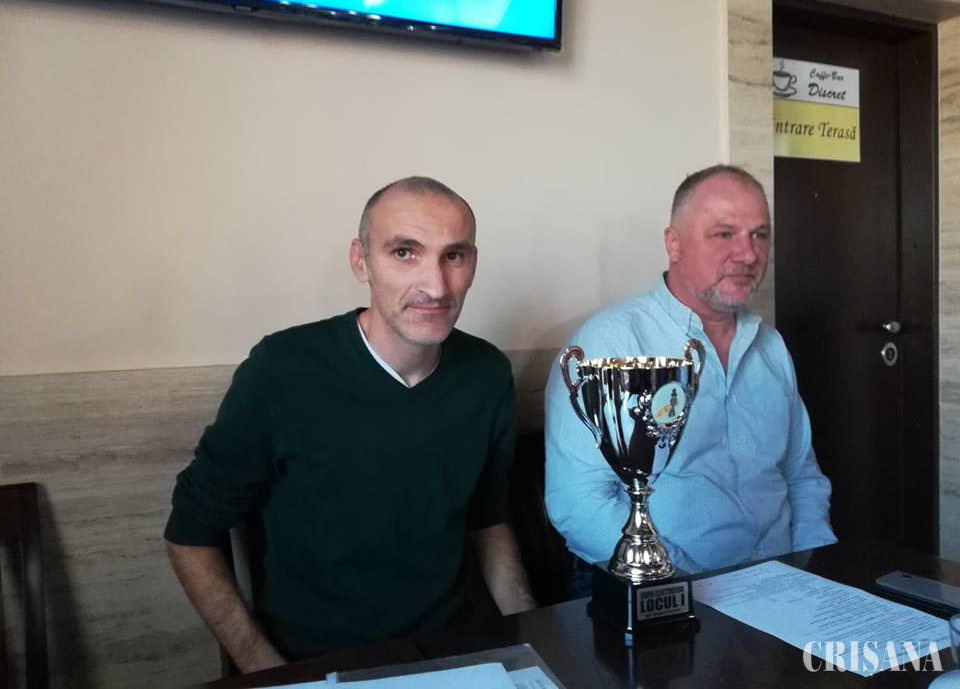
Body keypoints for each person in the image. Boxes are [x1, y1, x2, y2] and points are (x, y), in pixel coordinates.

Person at [165, 176, 536, 672]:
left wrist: (531, 643)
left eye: (453, 255)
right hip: (319, 661)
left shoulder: (486, 374)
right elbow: (189, 534)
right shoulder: (282, 369)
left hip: (456, 649)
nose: (435, 286)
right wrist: (267, 670)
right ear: (361, 261)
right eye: (404, 252)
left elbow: (489, 521)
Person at [544, 164, 836, 588]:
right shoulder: (610, 344)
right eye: (724, 234)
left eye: (760, 234)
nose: (748, 254)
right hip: (665, 591)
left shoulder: (770, 346)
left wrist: (818, 568)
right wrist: (681, 587)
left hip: (785, 583)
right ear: (674, 244)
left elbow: (802, 476)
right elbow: (578, 503)